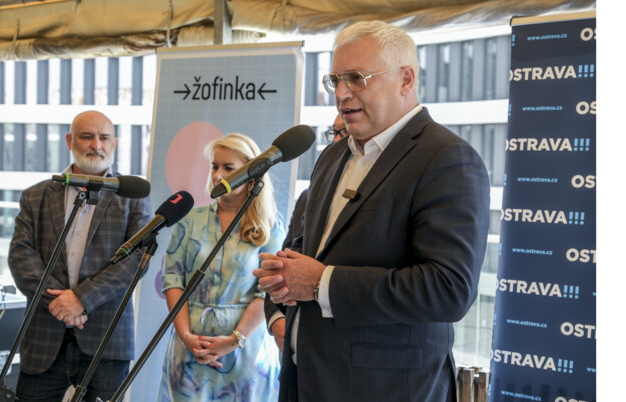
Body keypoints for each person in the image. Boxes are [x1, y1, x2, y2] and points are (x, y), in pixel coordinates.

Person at [254, 20, 491, 402]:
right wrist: (284, 273)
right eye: (335, 80)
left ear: (405, 80)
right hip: (306, 379)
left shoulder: (446, 158)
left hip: (385, 390)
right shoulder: (333, 156)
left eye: (357, 78)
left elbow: (449, 289)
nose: (341, 94)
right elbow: (315, 249)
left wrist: (321, 283)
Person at [8, 110, 152, 401]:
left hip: (106, 339)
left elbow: (136, 260)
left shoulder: (133, 196)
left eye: (104, 138)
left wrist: (82, 299)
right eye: (87, 136)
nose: (96, 145)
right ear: (69, 140)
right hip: (43, 335)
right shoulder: (35, 195)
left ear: (114, 143)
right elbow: (21, 255)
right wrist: (60, 304)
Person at [158, 134, 283, 401]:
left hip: (245, 353)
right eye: (215, 166)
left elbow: (267, 293)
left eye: (229, 168)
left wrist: (235, 339)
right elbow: (173, 280)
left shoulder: (270, 228)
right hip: (189, 351)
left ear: (252, 173)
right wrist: (186, 337)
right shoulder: (189, 220)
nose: (218, 175)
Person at [265, 113, 348, 352]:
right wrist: (276, 319)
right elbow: (286, 262)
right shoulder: (308, 196)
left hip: (339, 347)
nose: (336, 140)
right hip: (296, 352)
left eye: (344, 132)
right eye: (334, 133)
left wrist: (320, 281)